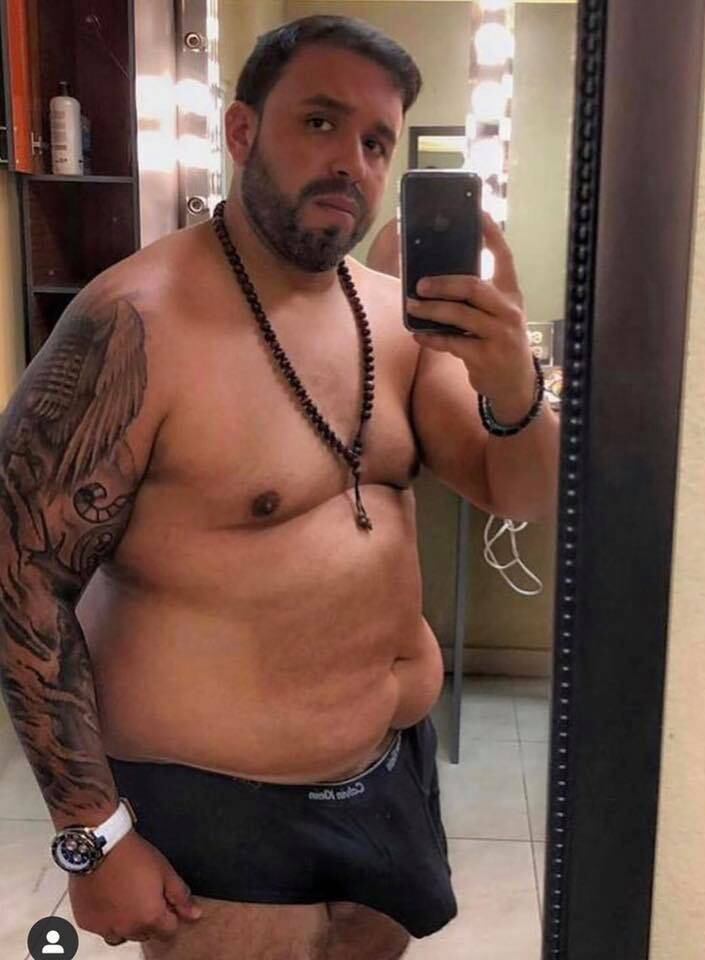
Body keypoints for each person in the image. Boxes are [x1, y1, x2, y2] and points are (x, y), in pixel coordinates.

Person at [0, 15, 560, 960]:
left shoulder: (397, 319)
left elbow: (520, 494)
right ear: (241, 131)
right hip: (220, 818)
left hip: (387, 781)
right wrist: (93, 837)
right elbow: (19, 583)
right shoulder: (133, 324)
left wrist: (513, 385)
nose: (352, 161)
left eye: (376, 141)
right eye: (320, 122)